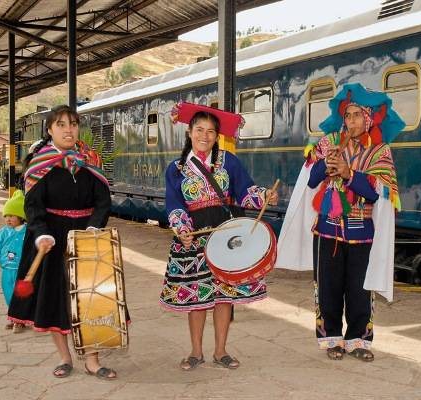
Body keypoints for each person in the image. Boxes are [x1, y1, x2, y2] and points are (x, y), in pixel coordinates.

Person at [276, 83, 404, 362]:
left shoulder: (380, 151)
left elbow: (377, 191)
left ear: (369, 119)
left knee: (360, 288)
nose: (351, 121)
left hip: (362, 230)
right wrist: (325, 162)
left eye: (357, 115)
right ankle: (331, 338)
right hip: (327, 229)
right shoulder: (329, 141)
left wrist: (349, 173)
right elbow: (311, 180)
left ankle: (359, 340)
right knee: (327, 288)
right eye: (348, 115)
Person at [160, 102, 279, 371]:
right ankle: (195, 352)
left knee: (224, 296)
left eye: (211, 132)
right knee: (197, 298)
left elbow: (245, 191)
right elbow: (174, 204)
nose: (205, 136)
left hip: (227, 235)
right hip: (193, 239)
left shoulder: (229, 162)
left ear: (217, 136)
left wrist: (264, 196)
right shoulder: (176, 169)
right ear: (189, 132)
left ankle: (221, 351)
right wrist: (182, 229)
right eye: (199, 130)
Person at [7, 105, 115, 379]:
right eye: (62, 124)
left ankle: (92, 359)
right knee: (55, 299)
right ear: (50, 130)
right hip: (52, 239)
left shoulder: (89, 160)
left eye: (73, 124)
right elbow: (33, 207)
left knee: (91, 298)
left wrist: (93, 227)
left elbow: (103, 202)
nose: (69, 130)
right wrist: (42, 233)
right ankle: (65, 358)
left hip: (86, 237)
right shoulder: (39, 164)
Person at [0, 189, 27, 333]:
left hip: (22, 270)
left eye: (12, 215)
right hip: (7, 270)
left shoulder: (28, 232)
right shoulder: (2, 233)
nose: (8, 219)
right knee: (9, 293)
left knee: (21, 295)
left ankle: (20, 319)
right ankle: (13, 316)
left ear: (21, 217)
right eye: (6, 215)